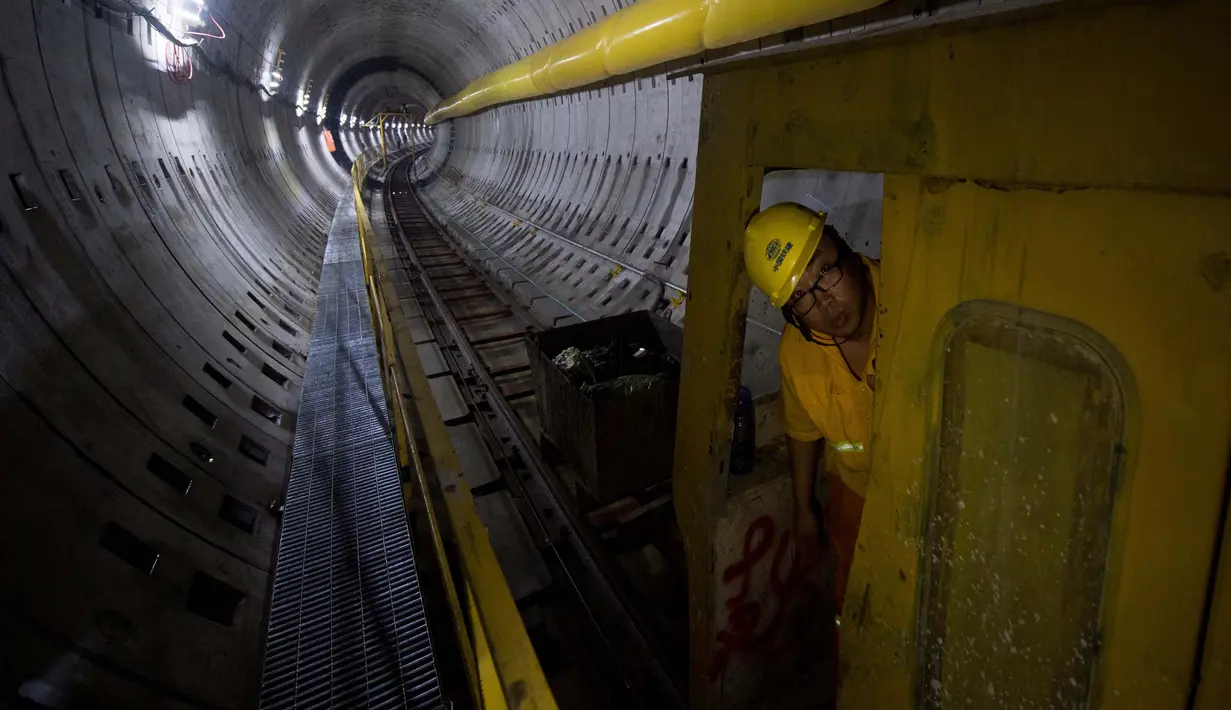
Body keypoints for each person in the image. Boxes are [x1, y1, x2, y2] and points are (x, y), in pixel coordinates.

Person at [744, 202, 879, 630]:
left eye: (824, 271)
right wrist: (804, 508)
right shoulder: (797, 352)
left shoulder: (912, 294)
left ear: (843, 247)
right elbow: (801, 431)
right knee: (856, 612)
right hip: (854, 497)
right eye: (801, 297)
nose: (825, 302)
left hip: (934, 496)